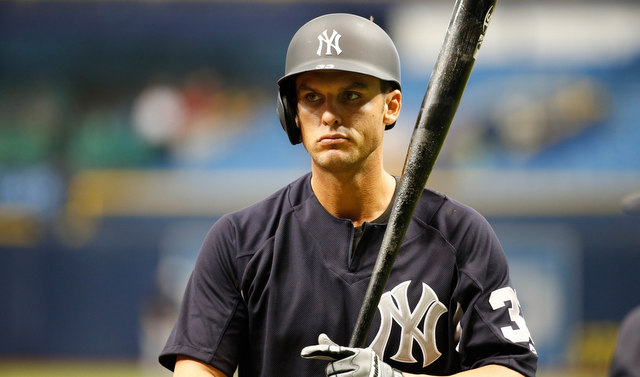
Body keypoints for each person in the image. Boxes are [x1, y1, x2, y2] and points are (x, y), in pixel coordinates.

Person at [159, 13, 538, 377]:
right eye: (311, 97)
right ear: (290, 112)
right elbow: (197, 366)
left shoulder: (459, 235)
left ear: (391, 107)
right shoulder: (240, 241)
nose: (329, 115)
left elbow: (509, 368)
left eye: (351, 95)